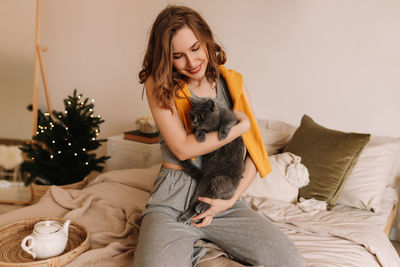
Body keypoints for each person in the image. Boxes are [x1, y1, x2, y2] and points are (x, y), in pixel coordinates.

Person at [132, 5, 305, 267]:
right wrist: (238, 128)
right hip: (172, 202)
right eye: (178, 56)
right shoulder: (159, 83)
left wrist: (229, 201)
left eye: (195, 48)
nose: (191, 62)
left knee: (290, 261)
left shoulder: (233, 82)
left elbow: (254, 151)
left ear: (207, 40)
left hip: (221, 198)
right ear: (166, 58)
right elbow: (182, 148)